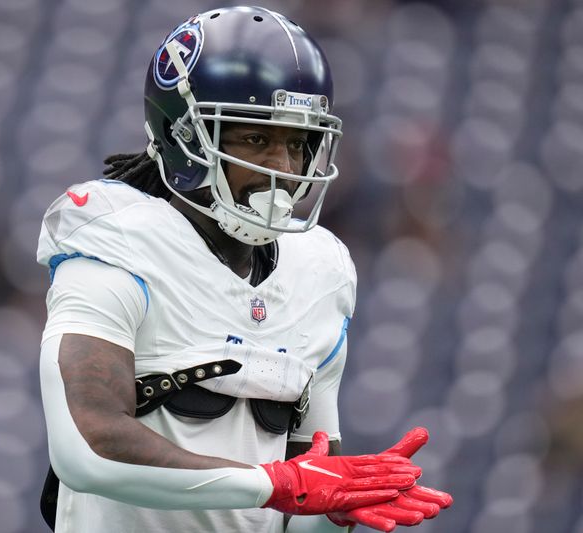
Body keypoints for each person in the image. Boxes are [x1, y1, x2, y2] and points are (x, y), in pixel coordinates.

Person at [36, 6, 452, 532]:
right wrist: (275, 485)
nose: (281, 167)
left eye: (298, 143)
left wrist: (339, 509)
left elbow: (304, 494)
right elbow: (87, 449)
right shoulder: (117, 244)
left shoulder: (319, 272)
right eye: (256, 139)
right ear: (184, 136)